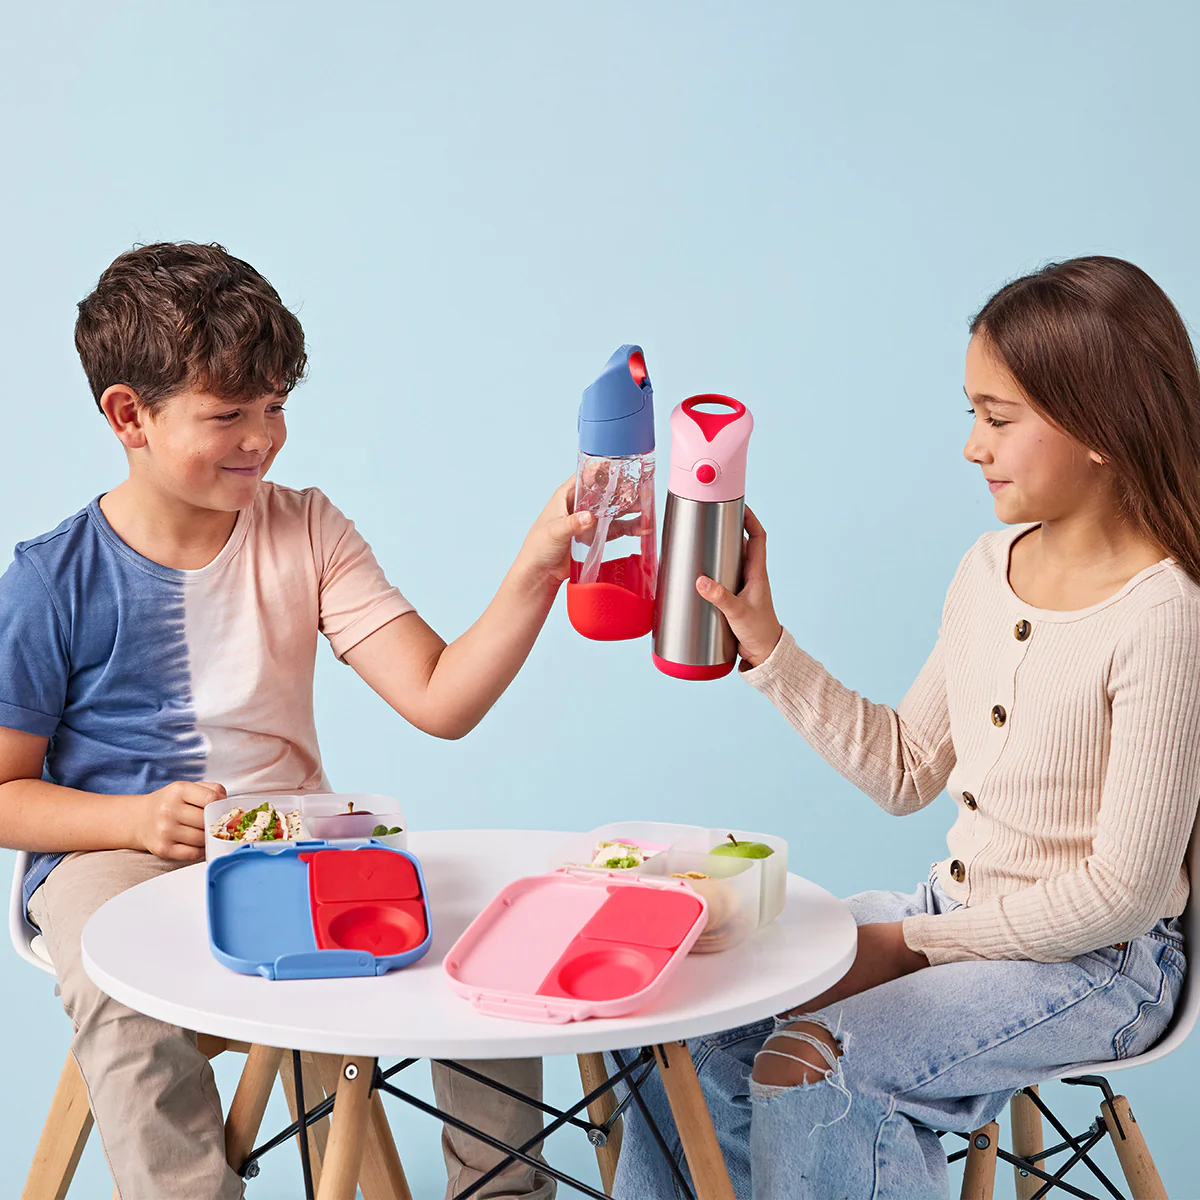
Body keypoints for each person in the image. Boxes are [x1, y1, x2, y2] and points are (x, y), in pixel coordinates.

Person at [0, 241, 587, 1200]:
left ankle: (503, 1190)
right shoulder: (50, 579)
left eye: (274, 407)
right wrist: (133, 821)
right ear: (128, 415)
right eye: (227, 414)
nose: (262, 439)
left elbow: (439, 696)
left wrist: (536, 570)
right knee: (118, 987)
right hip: (113, 853)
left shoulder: (306, 528)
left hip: (291, 841)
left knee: (479, 927)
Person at [612, 256, 1200, 1199]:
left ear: (1102, 423)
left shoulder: (1163, 614)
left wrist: (918, 944)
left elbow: (1123, 895)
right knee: (679, 1009)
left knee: (817, 1065)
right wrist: (767, 644)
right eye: (974, 415)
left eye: (998, 419)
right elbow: (905, 767)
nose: (972, 447)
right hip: (951, 917)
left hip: (1098, 967)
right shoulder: (988, 568)